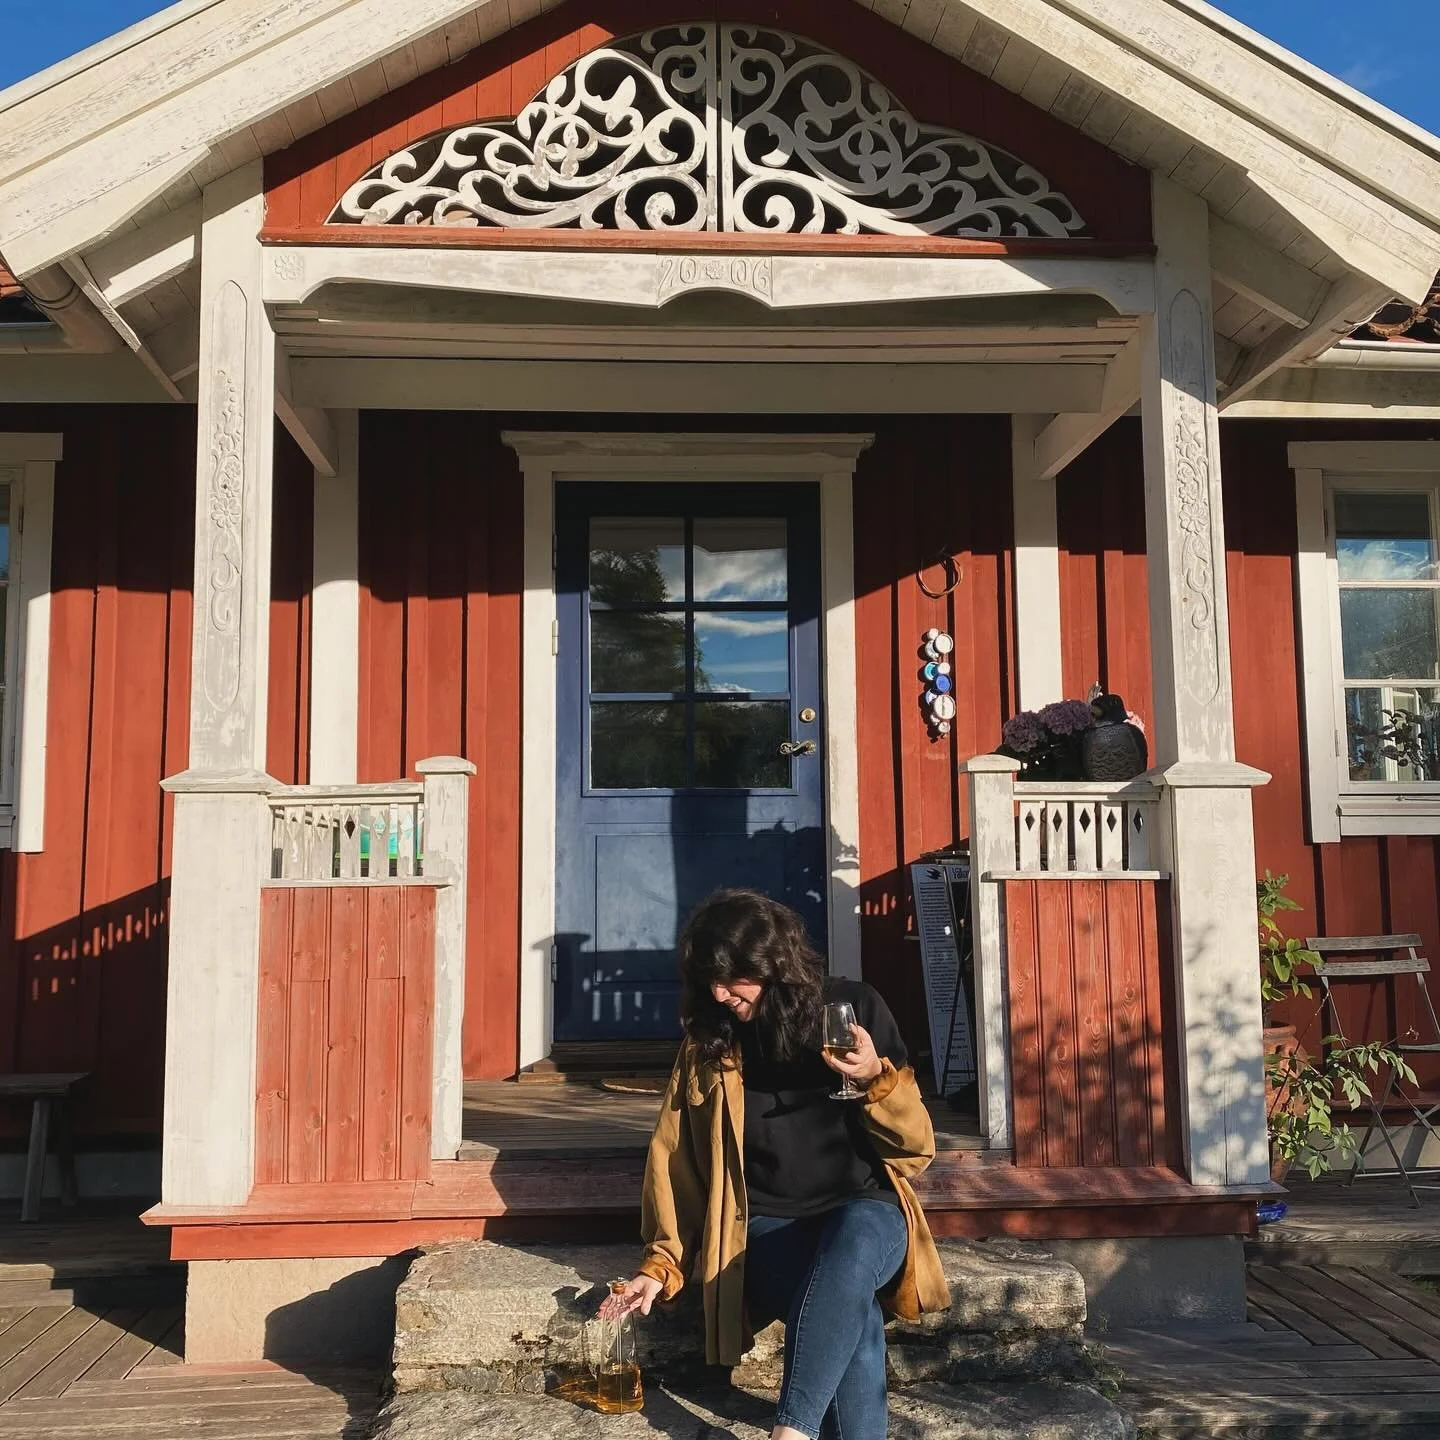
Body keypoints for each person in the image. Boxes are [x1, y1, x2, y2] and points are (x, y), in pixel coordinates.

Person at [602, 888, 950, 1440]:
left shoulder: (853, 1009)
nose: (719, 993)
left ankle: (790, 1432)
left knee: (853, 1245)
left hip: (868, 1213)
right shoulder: (709, 1046)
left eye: (732, 977)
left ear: (773, 965)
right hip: (763, 1230)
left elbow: (915, 1150)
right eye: (707, 981)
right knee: (849, 1312)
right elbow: (675, 1159)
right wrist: (662, 1263)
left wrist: (870, 1080)